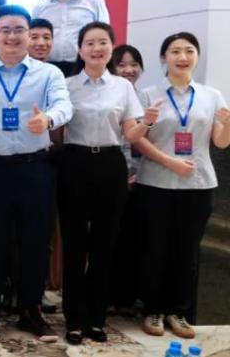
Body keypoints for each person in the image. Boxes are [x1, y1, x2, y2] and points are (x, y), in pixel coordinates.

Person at [0, 5, 72, 344]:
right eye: (5, 29)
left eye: (19, 30)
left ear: (29, 35)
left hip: (35, 168)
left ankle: (30, 311)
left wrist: (48, 119)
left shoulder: (48, 74)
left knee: (35, 242)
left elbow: (65, 106)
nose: (12, 36)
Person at [55, 22, 154, 345]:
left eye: (102, 42)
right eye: (90, 43)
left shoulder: (123, 87)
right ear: (80, 49)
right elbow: (57, 133)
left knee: (103, 246)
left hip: (110, 165)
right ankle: (73, 319)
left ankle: (96, 319)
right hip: (74, 163)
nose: (96, 49)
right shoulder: (66, 85)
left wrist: (146, 123)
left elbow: (130, 133)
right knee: (74, 246)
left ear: (111, 47)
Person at [134, 32, 230, 338]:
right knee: (155, 248)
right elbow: (138, 139)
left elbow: (220, 142)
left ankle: (179, 312)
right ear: (164, 58)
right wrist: (169, 161)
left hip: (198, 184)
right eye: (175, 51)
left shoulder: (211, 96)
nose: (182, 57)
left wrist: (228, 124)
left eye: (189, 50)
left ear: (197, 56)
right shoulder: (148, 94)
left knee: (187, 251)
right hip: (156, 182)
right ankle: (152, 310)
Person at [110, 44, 147, 312]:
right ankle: (110, 295)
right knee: (112, 237)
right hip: (114, 178)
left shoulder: (146, 98)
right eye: (121, 64)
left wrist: (138, 174)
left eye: (134, 64)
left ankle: (129, 296)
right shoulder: (111, 95)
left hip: (144, 179)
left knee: (135, 238)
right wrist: (122, 175)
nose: (128, 70)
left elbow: (148, 139)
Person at [32, 0, 110, 76]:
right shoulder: (40, 7)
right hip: (48, 69)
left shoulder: (94, 2)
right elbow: (32, 39)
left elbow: (105, 37)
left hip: (84, 68)